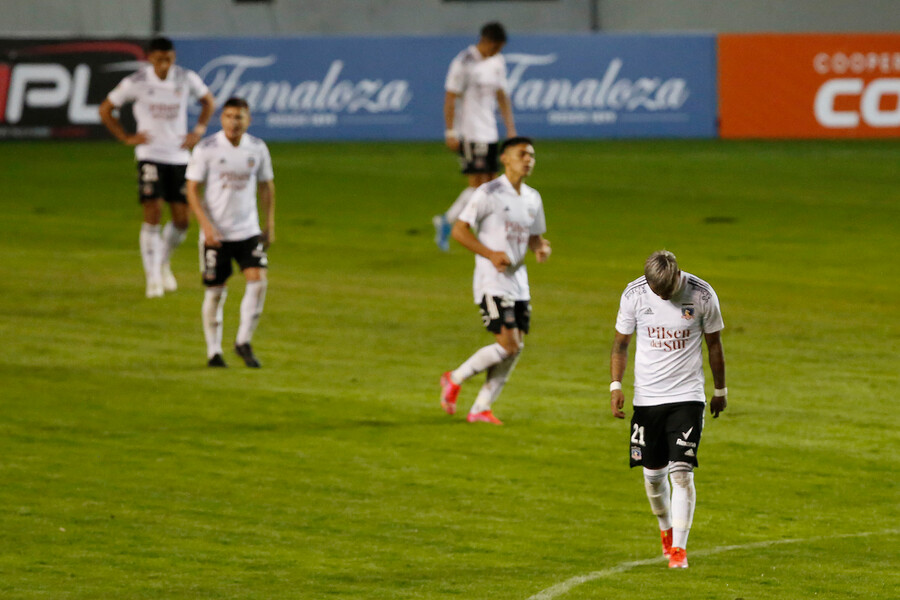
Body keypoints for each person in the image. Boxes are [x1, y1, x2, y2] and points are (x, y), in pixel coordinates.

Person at [609, 250, 727, 569]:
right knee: (653, 478)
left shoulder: (702, 294)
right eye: (657, 293)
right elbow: (621, 343)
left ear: (677, 276)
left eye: (668, 291)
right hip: (647, 400)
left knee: (682, 473)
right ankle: (665, 529)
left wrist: (720, 390)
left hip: (687, 397)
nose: (663, 297)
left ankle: (679, 549)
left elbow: (714, 343)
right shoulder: (634, 295)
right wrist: (616, 385)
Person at [439, 137, 550, 425]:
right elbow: (459, 231)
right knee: (509, 345)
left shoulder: (532, 197)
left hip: (519, 282)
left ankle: (480, 408)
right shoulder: (488, 192)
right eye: (522, 153)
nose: (528, 159)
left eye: (532, 155)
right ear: (505, 158)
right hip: (492, 281)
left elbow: (534, 236)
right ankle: (454, 377)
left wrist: (540, 247)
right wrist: (489, 253)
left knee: (516, 347)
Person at [99, 36, 216, 298]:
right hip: (149, 154)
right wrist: (124, 137)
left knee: (182, 220)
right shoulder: (136, 82)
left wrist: (198, 130)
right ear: (149, 58)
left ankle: (163, 262)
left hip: (179, 156)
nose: (165, 64)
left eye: (169, 59)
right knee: (153, 210)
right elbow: (106, 109)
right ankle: (152, 277)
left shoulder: (186, 78)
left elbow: (209, 101)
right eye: (160, 59)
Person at [185, 97, 275, 369]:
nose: (234, 122)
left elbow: (266, 186)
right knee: (215, 292)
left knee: (258, 281)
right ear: (221, 119)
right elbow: (191, 189)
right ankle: (214, 351)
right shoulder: (207, 148)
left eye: (239, 117)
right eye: (229, 116)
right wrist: (206, 226)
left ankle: (242, 341)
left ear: (249, 120)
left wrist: (269, 225)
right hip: (217, 234)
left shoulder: (257, 148)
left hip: (247, 231)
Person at [433, 22, 517, 252]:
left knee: (491, 184)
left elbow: (502, 96)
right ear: (488, 42)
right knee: (479, 185)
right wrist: (450, 131)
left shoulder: (497, 62)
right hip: (470, 132)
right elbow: (450, 98)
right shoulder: (463, 62)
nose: (498, 52)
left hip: (489, 131)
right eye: (497, 47)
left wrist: (510, 129)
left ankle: (450, 221)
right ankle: (454, 224)